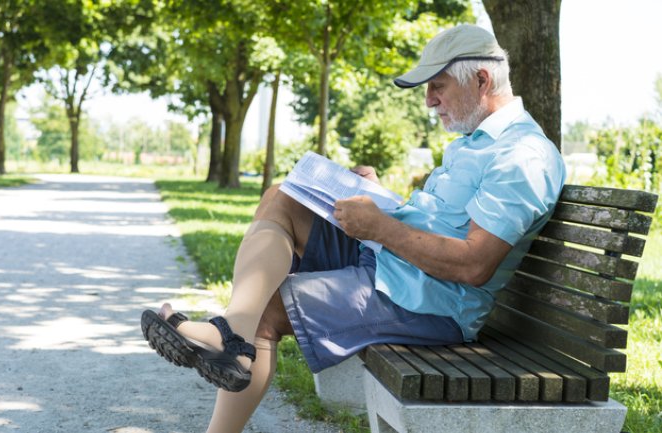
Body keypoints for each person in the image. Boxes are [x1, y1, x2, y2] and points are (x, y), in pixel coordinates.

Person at [141, 24, 566, 433]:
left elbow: (474, 265)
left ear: (481, 80)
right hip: (398, 266)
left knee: (269, 309)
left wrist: (381, 227)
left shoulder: (521, 156)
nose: (429, 101)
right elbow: (443, 223)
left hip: (429, 303)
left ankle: (231, 344)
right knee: (282, 197)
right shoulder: (477, 141)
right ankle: (231, 333)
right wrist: (381, 198)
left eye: (437, 86)